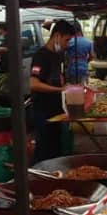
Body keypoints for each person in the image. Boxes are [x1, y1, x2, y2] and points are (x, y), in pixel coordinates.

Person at [29, 20, 76, 164]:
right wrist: (60, 89)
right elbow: (34, 84)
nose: (67, 44)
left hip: (57, 111)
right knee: (43, 151)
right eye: (66, 40)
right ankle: (36, 175)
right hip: (43, 111)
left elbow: (59, 78)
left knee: (55, 151)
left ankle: (54, 176)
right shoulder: (40, 56)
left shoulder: (59, 55)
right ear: (57, 36)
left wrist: (68, 87)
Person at [66, 21, 93, 85]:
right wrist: (85, 61)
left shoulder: (69, 42)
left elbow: (64, 55)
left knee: (73, 88)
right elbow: (92, 56)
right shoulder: (89, 42)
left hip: (72, 70)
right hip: (84, 69)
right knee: (83, 87)